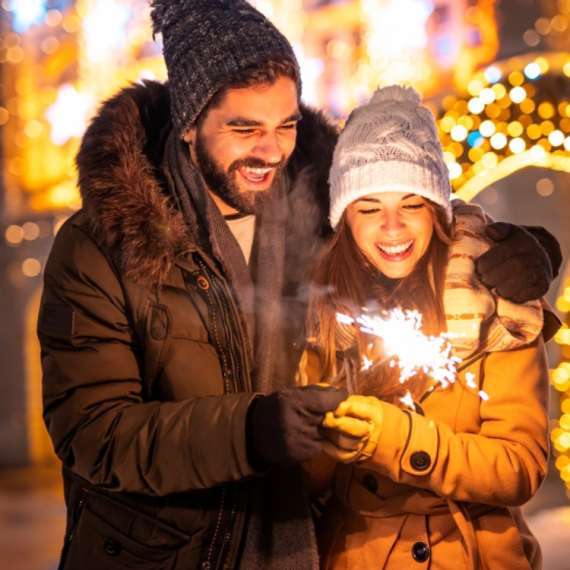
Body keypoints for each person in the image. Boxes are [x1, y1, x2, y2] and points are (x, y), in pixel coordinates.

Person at [36, 0, 559, 568]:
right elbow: (94, 434)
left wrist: (519, 246)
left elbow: (405, 213)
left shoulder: (320, 209)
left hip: (303, 545)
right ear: (190, 124)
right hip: (165, 552)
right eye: (244, 129)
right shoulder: (101, 246)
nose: (271, 150)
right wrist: (252, 431)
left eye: (285, 125)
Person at [301, 85, 561, 569]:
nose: (393, 227)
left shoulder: (495, 301)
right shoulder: (322, 314)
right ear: (344, 219)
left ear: (439, 210)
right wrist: (323, 442)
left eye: (413, 204)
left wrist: (397, 441)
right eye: (370, 207)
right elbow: (301, 481)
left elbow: (520, 466)